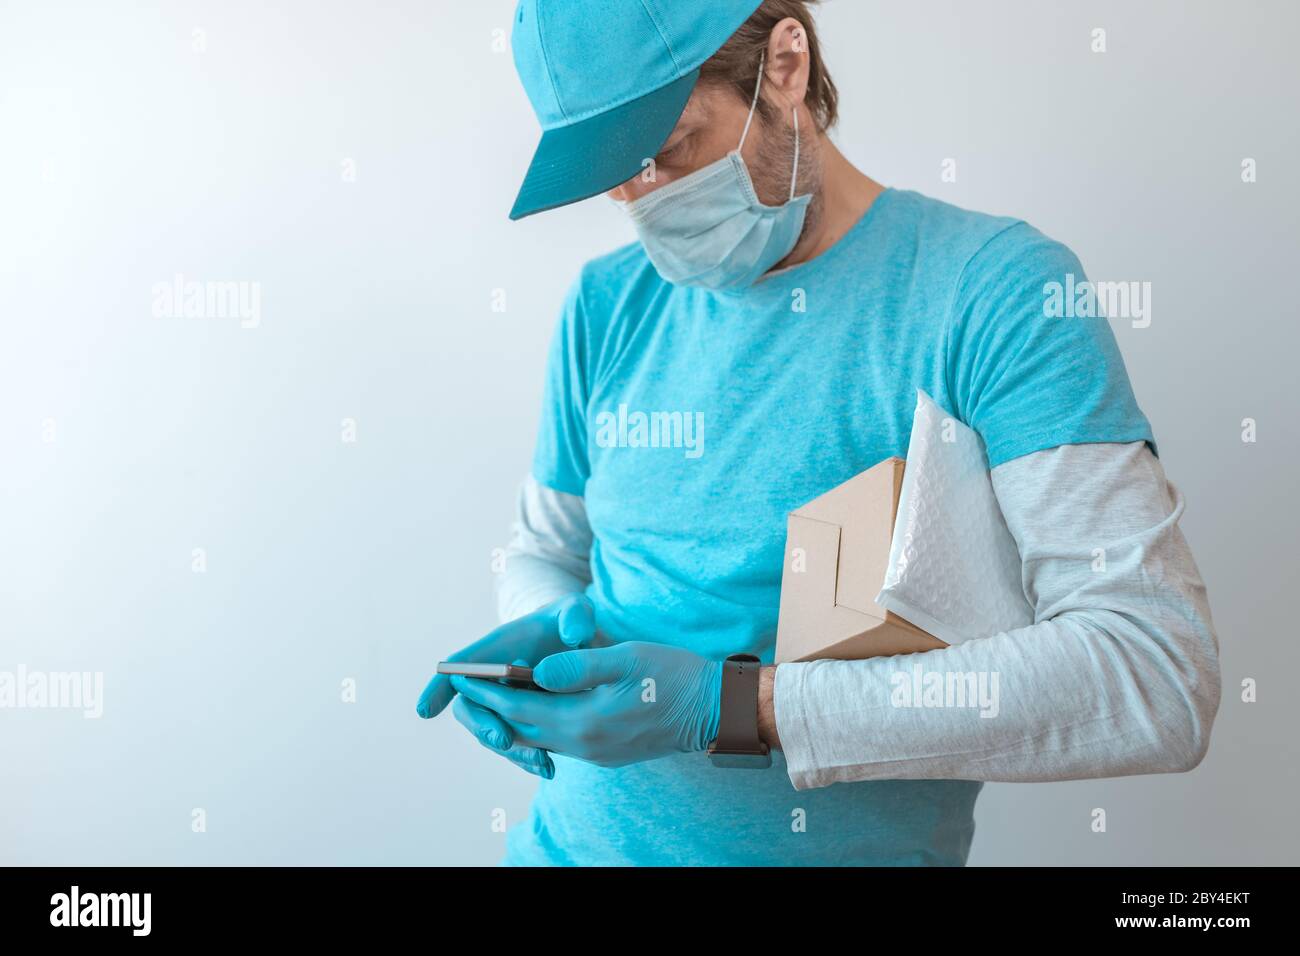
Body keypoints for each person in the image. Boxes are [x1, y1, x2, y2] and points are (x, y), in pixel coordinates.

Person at [416, 0, 1220, 866]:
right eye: (613, 172)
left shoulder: (995, 294)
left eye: (668, 149)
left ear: (786, 66)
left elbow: (1152, 674)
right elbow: (546, 546)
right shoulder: (606, 306)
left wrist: (739, 708)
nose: (641, 201)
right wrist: (551, 634)